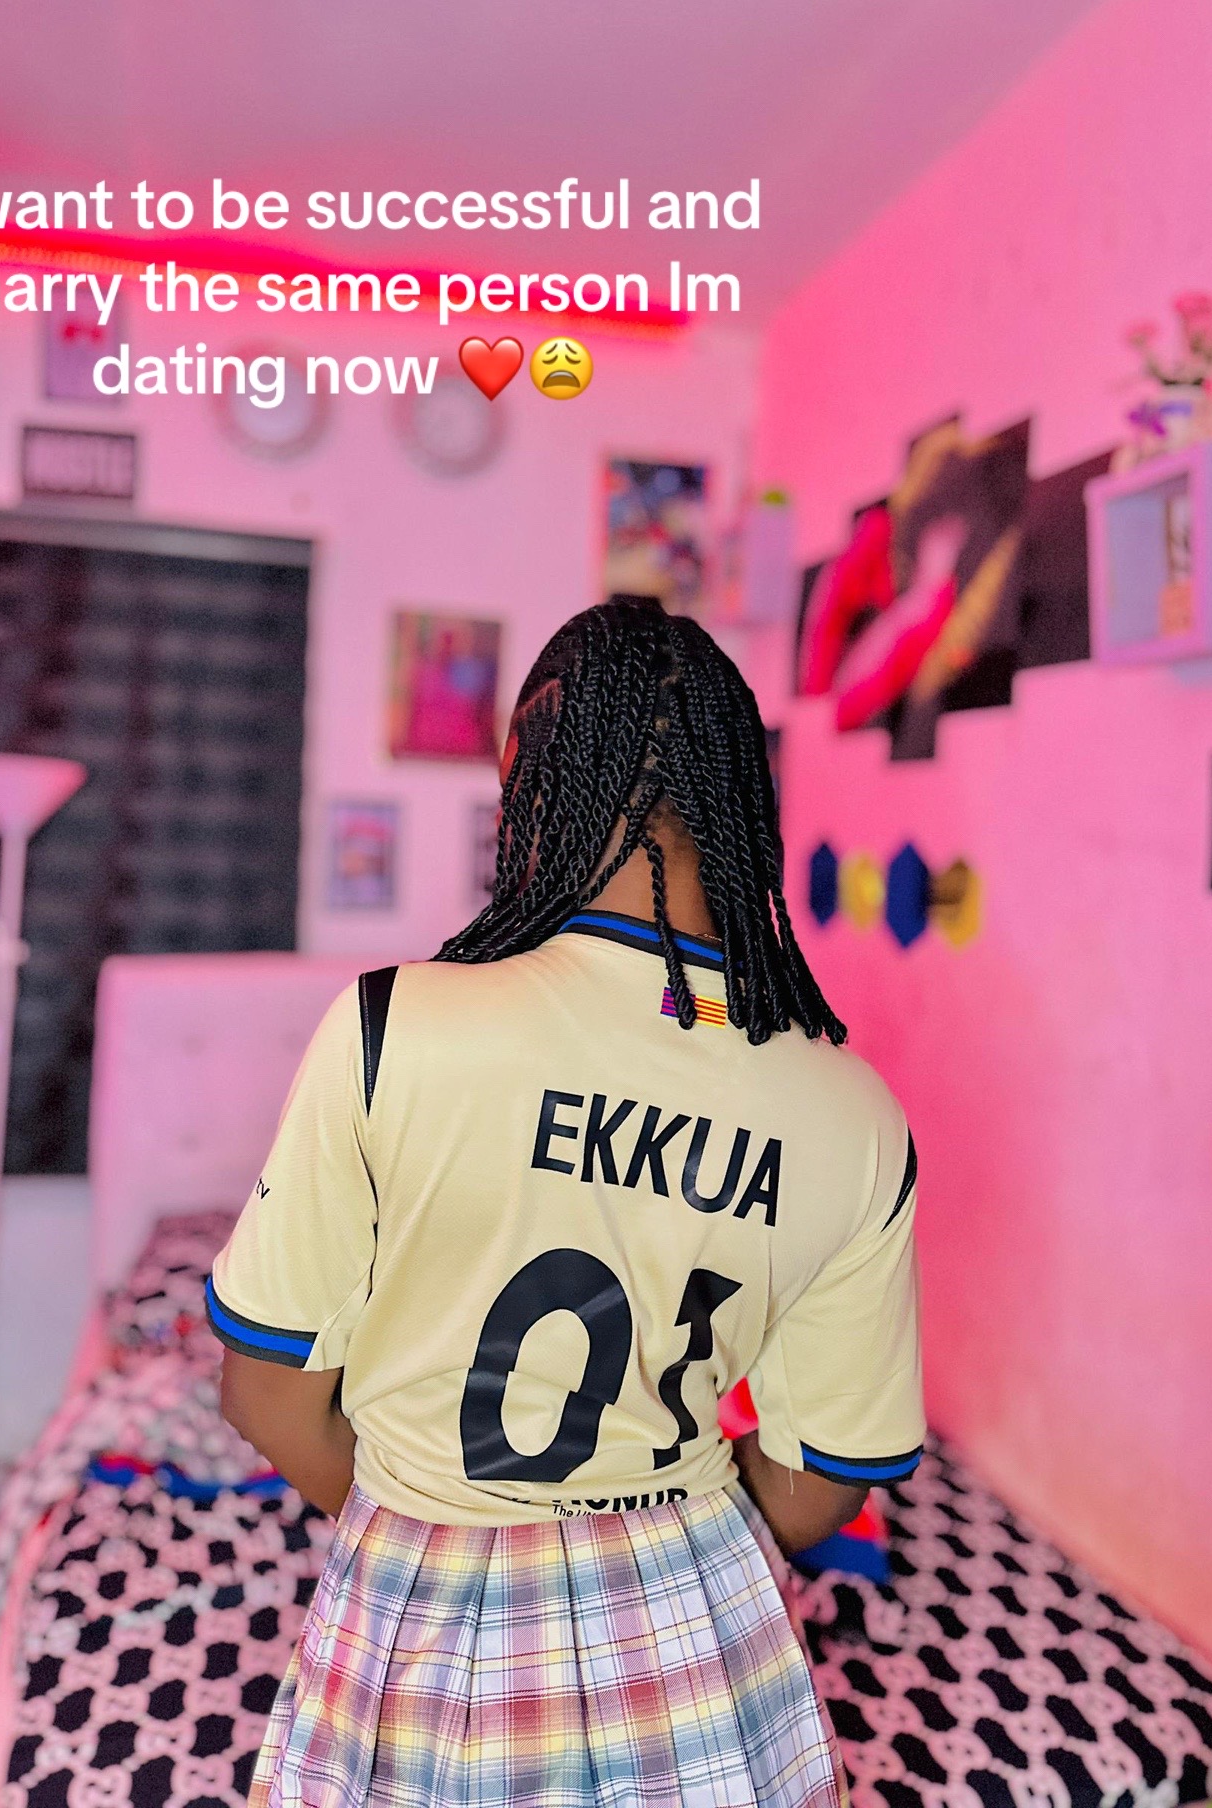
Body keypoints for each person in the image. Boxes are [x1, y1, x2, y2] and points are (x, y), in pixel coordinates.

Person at [210, 597, 924, 1808]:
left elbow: (265, 1393)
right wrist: (643, 1551)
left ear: (528, 777)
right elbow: (822, 1485)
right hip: (705, 1641)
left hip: (423, 1605)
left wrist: (433, 1523)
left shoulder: (393, 1029)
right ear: (742, 799)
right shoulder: (859, 1118)